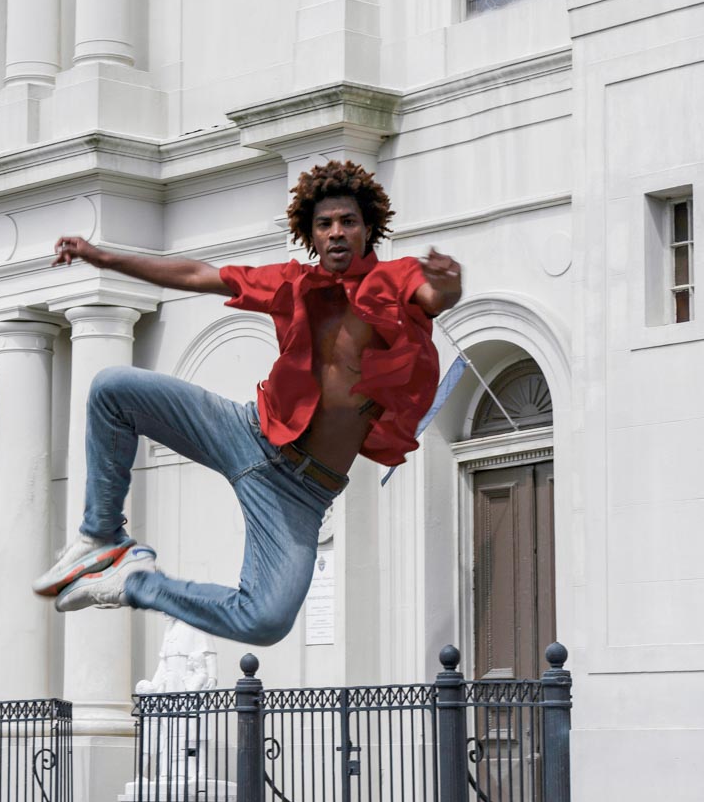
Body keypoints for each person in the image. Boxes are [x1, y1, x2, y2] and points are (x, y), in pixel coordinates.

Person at [32, 159, 462, 646]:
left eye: (348, 222)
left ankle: (132, 582)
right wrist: (104, 259)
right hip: (248, 434)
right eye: (325, 225)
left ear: (368, 228)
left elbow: (433, 295)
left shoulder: (396, 278)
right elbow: (198, 274)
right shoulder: (291, 282)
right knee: (112, 389)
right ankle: (101, 536)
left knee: (265, 621)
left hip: (302, 493)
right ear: (310, 234)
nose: (337, 233)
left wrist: (449, 284)